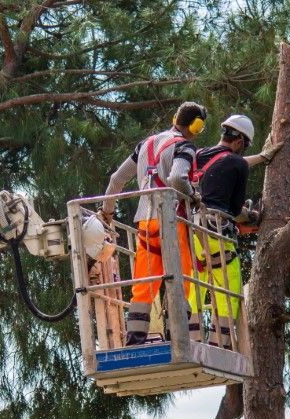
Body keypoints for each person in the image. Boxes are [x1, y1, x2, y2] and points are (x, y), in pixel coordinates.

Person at [98, 101, 207, 346]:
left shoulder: (145, 145)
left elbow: (116, 180)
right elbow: (177, 178)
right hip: (172, 219)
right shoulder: (184, 146)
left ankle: (135, 339)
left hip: (145, 222)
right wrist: (193, 197)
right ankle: (178, 336)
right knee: (181, 277)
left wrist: (107, 212)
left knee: (145, 282)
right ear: (196, 126)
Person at [187, 114, 280, 348]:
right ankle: (221, 342)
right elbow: (236, 209)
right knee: (228, 285)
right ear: (240, 142)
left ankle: (192, 337)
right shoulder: (237, 164)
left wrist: (260, 158)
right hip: (217, 232)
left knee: (197, 282)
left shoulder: (199, 156)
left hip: (192, 230)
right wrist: (252, 216)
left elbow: (223, 161)